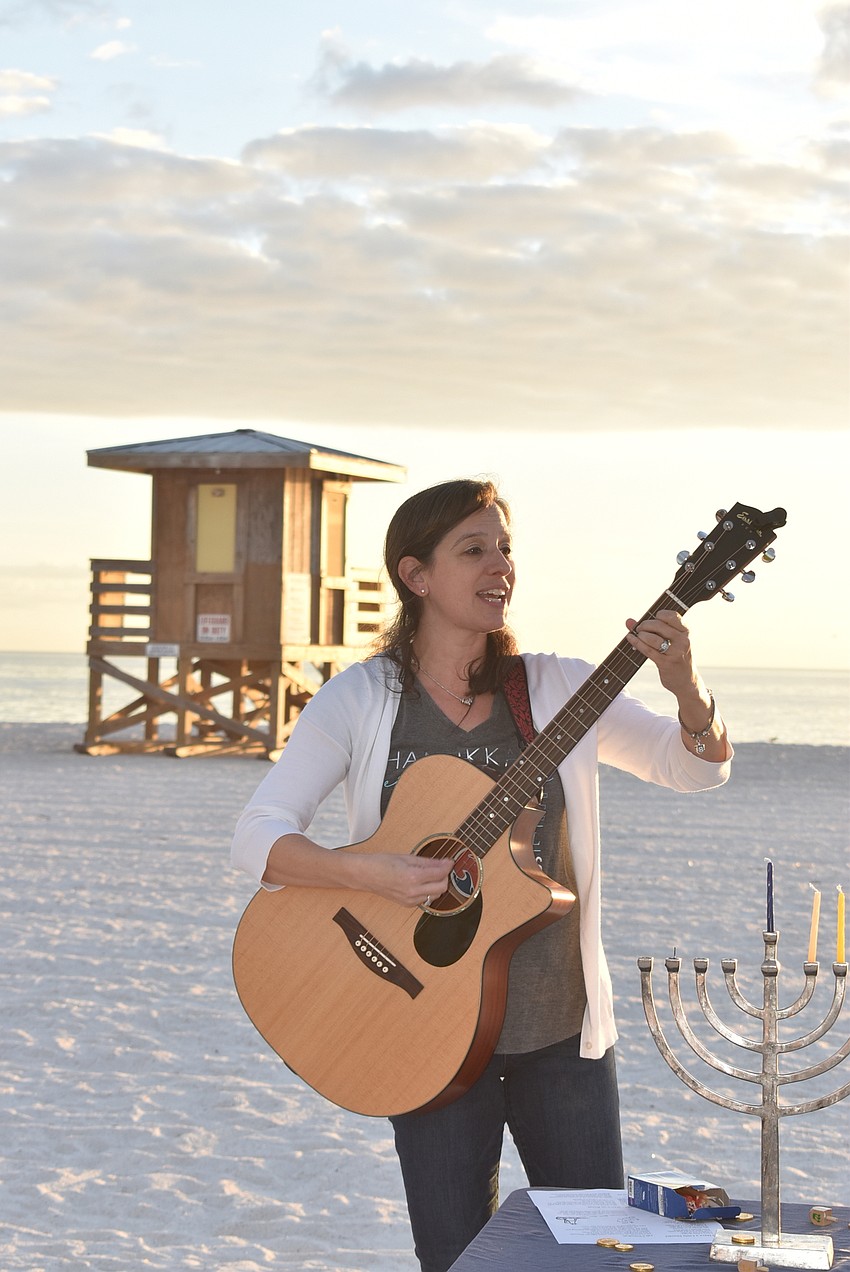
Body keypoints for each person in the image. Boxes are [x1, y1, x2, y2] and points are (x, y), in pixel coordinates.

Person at [231, 478, 732, 1272]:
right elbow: (258, 837)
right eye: (474, 550)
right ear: (416, 575)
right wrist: (371, 874)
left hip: (558, 1032)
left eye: (505, 549)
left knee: (599, 1253)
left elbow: (693, 770)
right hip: (417, 1021)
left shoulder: (557, 687)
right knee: (456, 1257)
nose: (499, 566)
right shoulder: (362, 699)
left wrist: (686, 693)